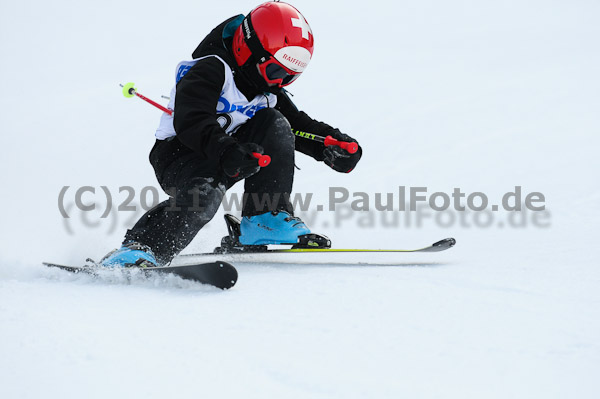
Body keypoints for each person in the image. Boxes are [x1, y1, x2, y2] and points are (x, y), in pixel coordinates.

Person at [101, 1, 362, 267]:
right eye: (275, 71)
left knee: (275, 121)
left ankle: (265, 217)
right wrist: (226, 150)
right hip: (181, 154)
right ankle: (141, 247)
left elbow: (297, 125)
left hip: (233, 154)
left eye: (289, 77)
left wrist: (330, 144)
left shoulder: (266, 87)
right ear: (248, 50)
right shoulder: (210, 69)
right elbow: (192, 120)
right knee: (205, 194)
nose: (278, 83)